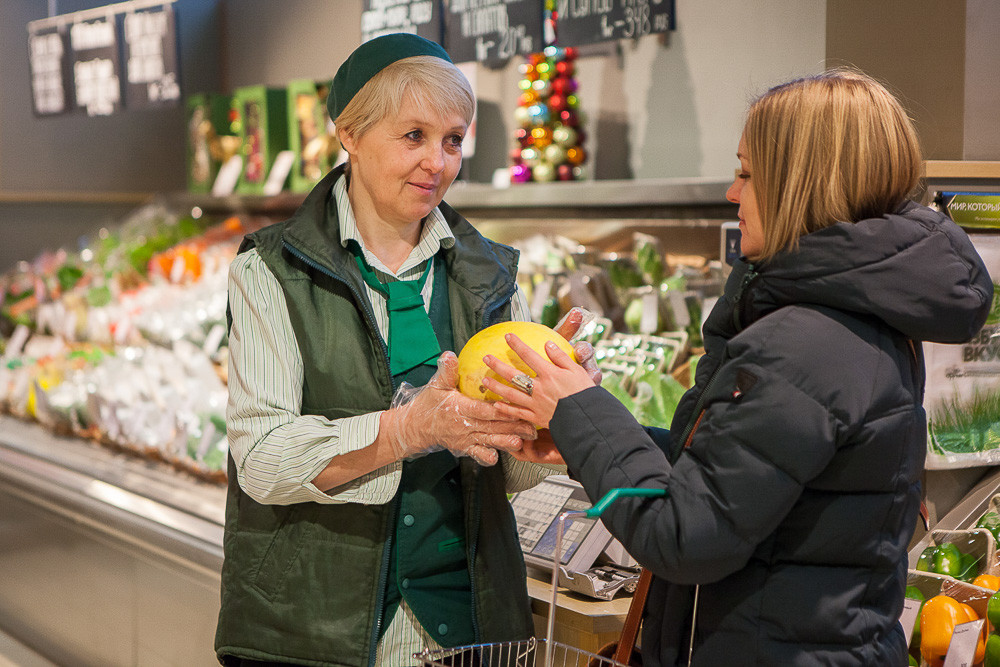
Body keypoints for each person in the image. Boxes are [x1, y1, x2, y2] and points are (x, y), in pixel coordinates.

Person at [481, 69, 994, 666]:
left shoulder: (803, 342)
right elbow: (737, 476)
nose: (732, 192)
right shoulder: (847, 319)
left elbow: (684, 535)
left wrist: (581, 410)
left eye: (747, 173)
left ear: (800, 183)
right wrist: (580, 434)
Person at [215, 33, 597, 667]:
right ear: (351, 133)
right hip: (316, 631)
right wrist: (405, 431)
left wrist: (557, 419)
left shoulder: (490, 275)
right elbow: (261, 455)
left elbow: (517, 473)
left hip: (470, 627)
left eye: (452, 140)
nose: (437, 163)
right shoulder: (271, 269)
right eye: (413, 136)